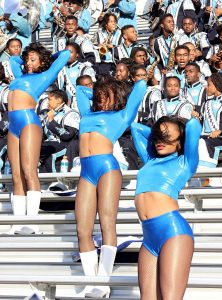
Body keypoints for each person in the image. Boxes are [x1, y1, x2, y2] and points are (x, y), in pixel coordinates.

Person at [75, 78, 147, 297]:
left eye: (106, 95)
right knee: (82, 230)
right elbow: (79, 89)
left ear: (116, 96)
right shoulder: (86, 114)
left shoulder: (122, 115)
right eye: (99, 95)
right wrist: (99, 91)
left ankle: (104, 280)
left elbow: (141, 86)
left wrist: (116, 94)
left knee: (107, 223)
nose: (101, 98)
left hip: (107, 168)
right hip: (86, 172)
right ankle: (91, 280)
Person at [131, 115, 201, 299]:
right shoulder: (150, 159)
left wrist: (178, 129)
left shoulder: (186, 162)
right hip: (148, 237)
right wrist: (160, 133)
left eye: (167, 136)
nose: (160, 141)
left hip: (173, 233)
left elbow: (193, 126)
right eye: (158, 136)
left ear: (181, 140)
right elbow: (135, 128)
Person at [7, 43, 70, 234]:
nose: (27, 63)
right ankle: (18, 223)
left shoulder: (45, 75)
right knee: (16, 176)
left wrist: (46, 57)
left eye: (32, 60)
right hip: (13, 125)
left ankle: (32, 222)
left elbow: (66, 54)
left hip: (28, 122)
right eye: (27, 60)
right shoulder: (21, 76)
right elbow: (12, 59)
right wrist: (28, 55)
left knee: (28, 170)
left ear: (42, 61)